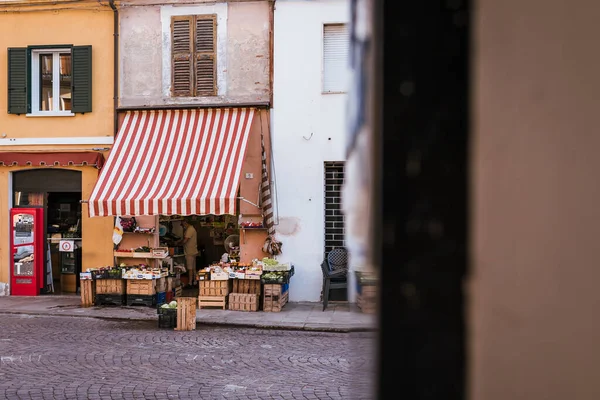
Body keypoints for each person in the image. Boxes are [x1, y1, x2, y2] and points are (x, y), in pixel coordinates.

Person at [179, 217, 198, 287]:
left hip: (190, 251)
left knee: (190, 268)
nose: (182, 226)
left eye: (182, 224)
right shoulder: (191, 229)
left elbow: (185, 240)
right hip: (193, 250)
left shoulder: (189, 230)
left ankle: (190, 283)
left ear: (185, 222)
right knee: (193, 268)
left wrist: (178, 243)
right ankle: (195, 282)